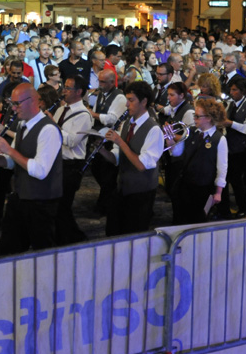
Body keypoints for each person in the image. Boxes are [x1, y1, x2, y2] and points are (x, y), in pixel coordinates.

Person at [0, 83, 63, 255]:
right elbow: (12, 162)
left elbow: (40, 170)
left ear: (32, 101)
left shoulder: (49, 130)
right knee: (8, 251)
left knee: (43, 254)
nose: (13, 109)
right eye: (12, 104)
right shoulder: (23, 126)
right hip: (21, 197)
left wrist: (9, 150)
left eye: (17, 104)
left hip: (42, 203)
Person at [104, 81, 164, 235]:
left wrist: (119, 141)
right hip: (123, 188)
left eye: (131, 100)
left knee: (134, 236)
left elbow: (141, 165)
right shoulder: (126, 124)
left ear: (144, 101)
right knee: (114, 231)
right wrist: (101, 150)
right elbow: (118, 158)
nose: (126, 104)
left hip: (141, 193)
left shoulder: (154, 130)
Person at [167, 98, 227, 224]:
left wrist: (218, 193)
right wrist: (170, 140)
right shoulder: (190, 132)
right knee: (180, 217)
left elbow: (222, 168)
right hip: (185, 184)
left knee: (197, 220)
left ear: (209, 118)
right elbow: (177, 152)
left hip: (203, 187)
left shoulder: (219, 139)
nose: (194, 119)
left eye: (197, 116)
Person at [53, 75, 92, 245]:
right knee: (57, 204)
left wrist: (52, 126)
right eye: (64, 87)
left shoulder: (83, 115)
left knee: (63, 204)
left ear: (79, 92)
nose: (64, 91)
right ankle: (65, 236)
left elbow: (71, 141)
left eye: (68, 88)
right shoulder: (61, 109)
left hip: (71, 165)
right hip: (57, 163)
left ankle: (71, 238)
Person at [87, 69, 127, 213]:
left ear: (112, 82)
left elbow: (113, 119)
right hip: (100, 135)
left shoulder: (120, 98)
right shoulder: (101, 95)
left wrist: (93, 113)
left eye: (103, 82)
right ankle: (106, 200)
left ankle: (107, 204)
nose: (100, 84)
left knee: (107, 172)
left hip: (111, 137)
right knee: (97, 169)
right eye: (99, 81)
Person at [217, 75, 246, 217]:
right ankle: (224, 208)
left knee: (236, 180)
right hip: (228, 146)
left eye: (234, 90)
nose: (231, 92)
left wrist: (230, 123)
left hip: (240, 149)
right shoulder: (230, 104)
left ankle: (244, 206)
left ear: (242, 91)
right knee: (224, 179)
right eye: (231, 90)